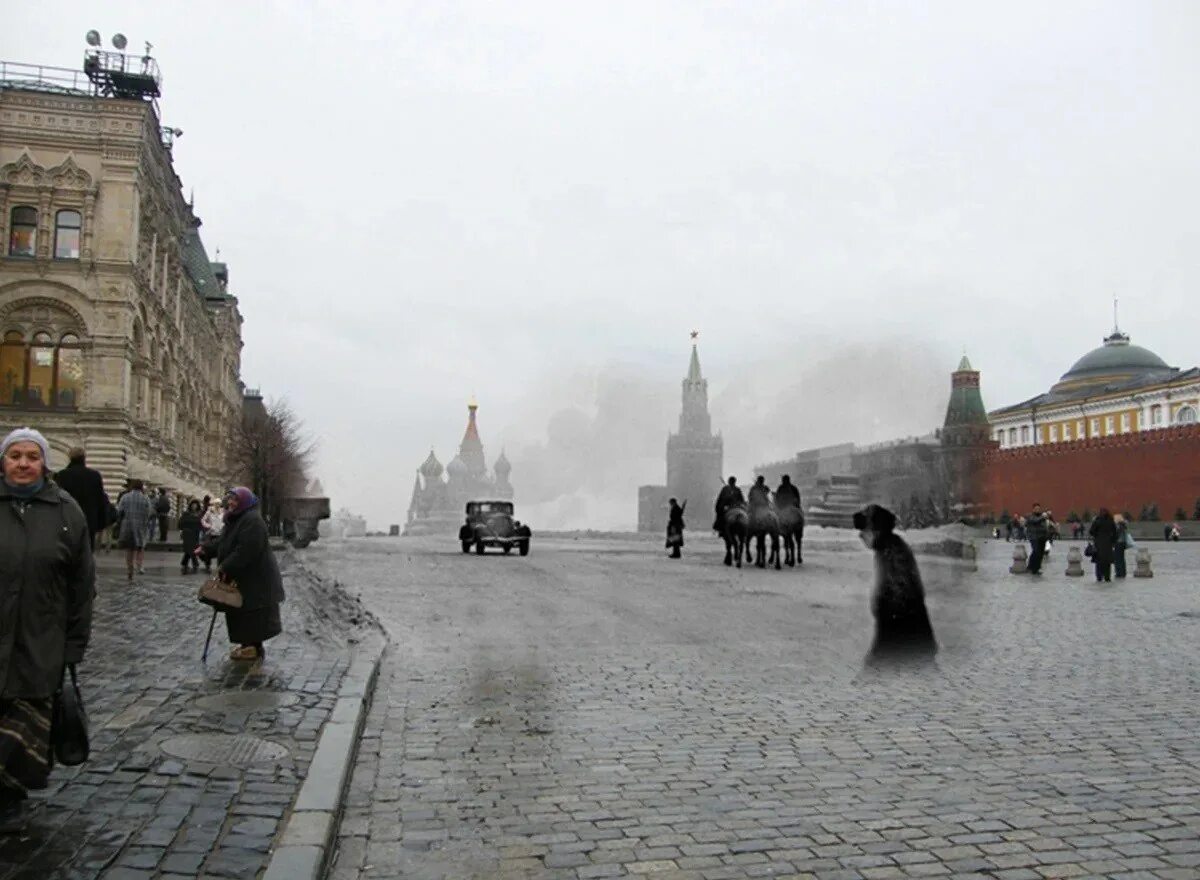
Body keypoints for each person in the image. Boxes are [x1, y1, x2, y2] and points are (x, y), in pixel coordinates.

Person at [0, 428, 94, 833]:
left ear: (44, 463)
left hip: (41, 639)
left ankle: (10, 794)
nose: (23, 464)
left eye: (31, 457)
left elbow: (81, 585)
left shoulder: (66, 512)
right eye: (14, 456)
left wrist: (74, 645)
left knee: (25, 725)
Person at [199, 487, 285, 661]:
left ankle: (252, 647)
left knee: (252, 613)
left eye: (235, 500)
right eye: (230, 499)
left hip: (256, 580)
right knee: (242, 611)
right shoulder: (237, 519)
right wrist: (206, 549)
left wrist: (225, 567)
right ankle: (248, 646)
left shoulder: (252, 521)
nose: (231, 503)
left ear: (244, 502)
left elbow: (245, 551)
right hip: (245, 579)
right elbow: (225, 543)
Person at [853, 503, 937, 665]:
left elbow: (902, 595)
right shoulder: (887, 548)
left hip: (903, 635)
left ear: (876, 531)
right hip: (902, 634)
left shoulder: (891, 551)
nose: (861, 536)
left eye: (864, 531)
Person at [53, 448, 109, 549]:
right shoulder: (94, 476)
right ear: (84, 458)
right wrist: (101, 522)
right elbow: (100, 500)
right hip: (89, 520)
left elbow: (56, 499)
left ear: (70, 458)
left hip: (67, 520)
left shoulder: (62, 475)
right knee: (87, 551)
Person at [116, 480, 153, 581]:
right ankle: (139, 565)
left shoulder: (125, 497)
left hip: (127, 525)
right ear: (141, 487)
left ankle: (129, 568)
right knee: (140, 547)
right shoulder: (146, 498)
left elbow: (119, 511)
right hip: (141, 526)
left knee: (129, 548)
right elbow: (149, 512)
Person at [1089, 507, 1117, 583]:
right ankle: (1107, 577)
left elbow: (1091, 531)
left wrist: (1096, 535)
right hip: (1108, 543)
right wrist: (1113, 541)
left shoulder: (1097, 521)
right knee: (1107, 562)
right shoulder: (1111, 521)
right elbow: (1115, 533)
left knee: (1099, 561)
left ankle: (1099, 576)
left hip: (1098, 543)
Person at [1024, 504, 1051, 575]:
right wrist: (1043, 517)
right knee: (1035, 551)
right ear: (1033, 509)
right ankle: (1030, 566)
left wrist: (1047, 534)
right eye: (1036, 509)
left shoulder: (1042, 517)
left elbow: (1045, 526)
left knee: (1041, 554)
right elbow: (1035, 521)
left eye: (1038, 509)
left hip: (1042, 537)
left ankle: (1036, 568)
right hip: (1034, 537)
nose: (1037, 510)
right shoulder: (1030, 516)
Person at [200, 501, 225, 574]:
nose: (217, 505)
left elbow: (226, 520)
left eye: (219, 504)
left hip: (220, 534)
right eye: (216, 504)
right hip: (211, 534)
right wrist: (209, 526)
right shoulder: (210, 511)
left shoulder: (223, 511)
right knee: (208, 550)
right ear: (214, 504)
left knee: (220, 551)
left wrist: (223, 527)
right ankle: (207, 565)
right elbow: (203, 520)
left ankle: (220, 566)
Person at [179, 500, 203, 575]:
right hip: (187, 533)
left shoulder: (200, 514)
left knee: (191, 549)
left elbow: (201, 524)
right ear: (190, 506)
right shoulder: (186, 514)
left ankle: (184, 563)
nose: (194, 506)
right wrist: (183, 529)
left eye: (195, 505)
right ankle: (195, 563)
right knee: (190, 548)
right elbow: (180, 523)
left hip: (195, 534)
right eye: (193, 505)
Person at [1113, 514, 1134, 579]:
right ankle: (1123, 572)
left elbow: (1116, 534)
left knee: (1117, 559)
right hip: (1123, 543)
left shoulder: (1119, 526)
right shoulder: (1124, 525)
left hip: (1118, 543)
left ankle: (1119, 573)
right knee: (1121, 558)